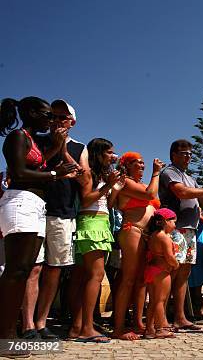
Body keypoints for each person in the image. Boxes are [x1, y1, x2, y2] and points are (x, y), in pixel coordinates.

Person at [0, 97, 78, 343]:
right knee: (16, 271)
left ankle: (9, 334)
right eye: (48, 115)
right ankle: (6, 335)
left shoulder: (32, 140)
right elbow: (19, 172)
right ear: (32, 113)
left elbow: (40, 165)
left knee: (22, 271)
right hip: (20, 202)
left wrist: (57, 149)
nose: (52, 120)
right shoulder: (18, 137)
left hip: (34, 205)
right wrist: (55, 174)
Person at [33, 99, 89, 340]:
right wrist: (54, 147)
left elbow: (84, 179)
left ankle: (41, 321)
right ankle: (25, 323)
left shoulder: (79, 147)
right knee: (33, 268)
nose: (57, 121)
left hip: (63, 213)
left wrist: (63, 149)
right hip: (36, 208)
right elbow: (31, 167)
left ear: (72, 122)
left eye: (62, 118)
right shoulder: (38, 139)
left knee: (53, 270)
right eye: (53, 116)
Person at [158, 139, 203, 330]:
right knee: (171, 271)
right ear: (173, 155)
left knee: (184, 274)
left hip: (190, 229)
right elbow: (181, 192)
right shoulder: (170, 172)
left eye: (190, 154)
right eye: (184, 153)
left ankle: (180, 316)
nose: (188, 157)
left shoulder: (190, 177)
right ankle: (161, 317)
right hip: (176, 228)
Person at [70, 138, 123, 342]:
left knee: (86, 276)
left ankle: (79, 326)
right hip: (91, 224)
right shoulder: (89, 173)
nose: (113, 156)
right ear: (99, 154)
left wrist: (114, 188)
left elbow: (105, 205)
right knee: (95, 275)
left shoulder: (101, 175)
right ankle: (86, 327)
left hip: (99, 223)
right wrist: (107, 185)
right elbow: (86, 199)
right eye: (109, 152)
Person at [112, 152, 164, 340]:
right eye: (137, 163)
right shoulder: (125, 181)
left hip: (146, 234)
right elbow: (150, 194)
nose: (142, 166)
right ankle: (118, 328)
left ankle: (137, 322)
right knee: (128, 279)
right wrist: (156, 172)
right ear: (126, 165)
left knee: (142, 280)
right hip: (132, 230)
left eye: (143, 163)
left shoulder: (142, 184)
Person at [143, 208, 179, 339]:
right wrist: (176, 264)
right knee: (160, 300)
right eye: (173, 222)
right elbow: (169, 257)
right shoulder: (164, 238)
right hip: (161, 272)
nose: (175, 225)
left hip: (151, 270)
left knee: (153, 301)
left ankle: (149, 329)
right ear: (165, 221)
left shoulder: (153, 236)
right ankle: (160, 328)